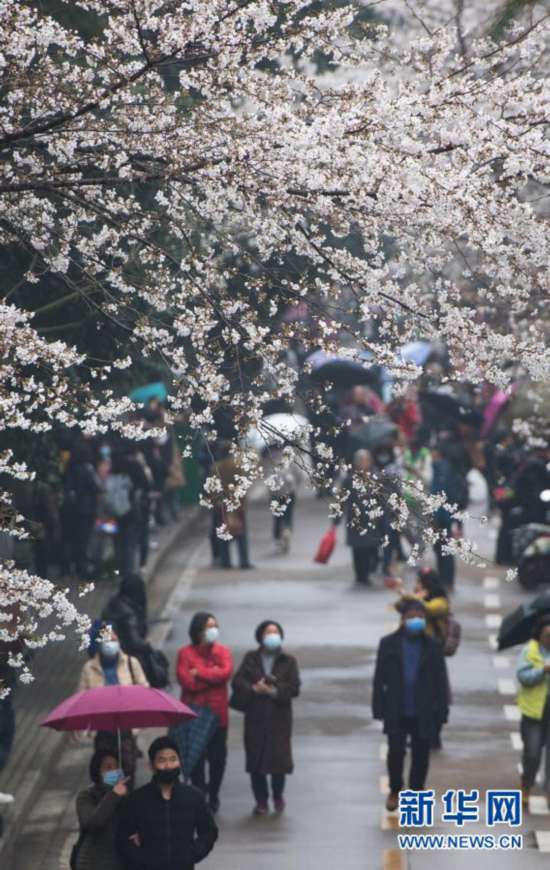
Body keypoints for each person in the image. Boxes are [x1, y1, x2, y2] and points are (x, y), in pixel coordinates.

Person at [372, 599, 448, 811]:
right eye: (412, 616)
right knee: (395, 751)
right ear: (403, 619)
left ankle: (416, 790)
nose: (416, 621)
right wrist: (378, 707)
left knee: (421, 752)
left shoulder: (432, 646)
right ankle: (395, 789)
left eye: (420, 617)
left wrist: (442, 710)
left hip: (423, 708)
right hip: (396, 707)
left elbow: (441, 680)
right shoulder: (388, 644)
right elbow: (379, 678)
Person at [116, 736, 218, 870]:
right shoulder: (137, 799)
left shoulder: (194, 797)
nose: (168, 765)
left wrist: (193, 853)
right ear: (152, 766)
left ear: (179, 762)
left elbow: (209, 832)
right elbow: (123, 836)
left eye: (173, 759)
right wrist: (141, 859)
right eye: (162, 760)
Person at [231, 621, 300, 815]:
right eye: (269, 632)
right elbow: (238, 681)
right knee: (256, 761)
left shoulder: (288, 661)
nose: (273, 635)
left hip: (279, 718)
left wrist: (273, 690)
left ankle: (277, 795)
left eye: (276, 632)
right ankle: (261, 801)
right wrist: (253, 688)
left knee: (279, 761)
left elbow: (294, 688)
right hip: (255, 717)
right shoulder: (251, 658)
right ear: (260, 636)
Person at [176, 612, 233, 813]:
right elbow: (187, 682)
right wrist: (211, 676)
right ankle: (200, 795)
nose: (213, 630)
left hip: (218, 717)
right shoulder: (185, 653)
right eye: (209, 626)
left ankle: (214, 792)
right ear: (198, 630)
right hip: (194, 716)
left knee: (218, 759)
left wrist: (199, 673)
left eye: (215, 625)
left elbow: (225, 674)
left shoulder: (223, 651)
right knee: (196, 759)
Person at [78, 629, 148, 785]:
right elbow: (82, 699)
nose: (111, 643)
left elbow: (144, 689)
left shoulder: (131, 663)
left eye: (113, 639)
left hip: (126, 727)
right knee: (108, 770)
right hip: (102, 728)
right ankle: (112, 798)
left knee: (128, 767)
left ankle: (126, 799)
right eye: (106, 640)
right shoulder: (89, 668)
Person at [393, 568, 451, 749]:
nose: (416, 585)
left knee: (434, 693)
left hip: (432, 654)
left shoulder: (440, 602)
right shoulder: (416, 599)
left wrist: (411, 596)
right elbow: (399, 607)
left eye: (419, 582)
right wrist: (406, 596)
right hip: (413, 651)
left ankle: (434, 732)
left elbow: (427, 609)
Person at [74, 748, 129, 870]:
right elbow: (92, 822)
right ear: (98, 771)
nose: (113, 771)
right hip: (91, 863)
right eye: (108, 768)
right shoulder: (87, 796)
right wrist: (113, 795)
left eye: (116, 767)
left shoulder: (126, 796)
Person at [516, 616, 550, 808]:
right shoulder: (530, 651)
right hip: (533, 711)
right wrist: (542, 671)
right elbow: (523, 677)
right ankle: (526, 783)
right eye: (547, 635)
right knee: (533, 752)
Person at [339, 449, 381, 586]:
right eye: (361, 462)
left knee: (371, 548)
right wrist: (336, 520)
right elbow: (342, 500)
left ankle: (368, 570)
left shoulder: (376, 477)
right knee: (357, 550)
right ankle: (360, 575)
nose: (363, 464)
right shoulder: (349, 479)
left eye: (366, 461)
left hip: (372, 519)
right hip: (355, 520)